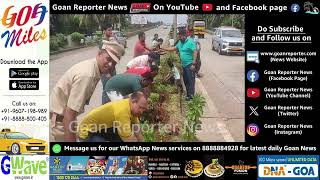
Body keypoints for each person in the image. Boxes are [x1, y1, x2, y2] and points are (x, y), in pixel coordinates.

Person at [50, 41, 125, 142]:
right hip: (62, 122)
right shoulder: (88, 75)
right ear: (99, 53)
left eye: (114, 63)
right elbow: (69, 114)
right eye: (108, 59)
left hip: (64, 119)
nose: (110, 65)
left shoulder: (94, 67)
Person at [78, 91, 148, 142]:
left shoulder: (131, 107)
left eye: (144, 110)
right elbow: (128, 139)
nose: (141, 111)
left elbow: (137, 130)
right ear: (133, 101)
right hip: (87, 133)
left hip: (100, 129)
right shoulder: (122, 110)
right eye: (140, 108)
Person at [161, 29, 198, 100]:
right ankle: (188, 95)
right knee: (186, 81)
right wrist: (164, 48)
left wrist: (193, 63)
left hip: (190, 65)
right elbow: (174, 48)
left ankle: (191, 97)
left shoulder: (190, 42)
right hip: (183, 65)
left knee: (191, 81)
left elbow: (195, 51)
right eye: (179, 37)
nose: (179, 38)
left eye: (180, 37)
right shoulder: (180, 43)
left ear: (184, 36)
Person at [100, 24, 122, 104]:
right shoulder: (102, 42)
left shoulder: (110, 40)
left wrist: (115, 37)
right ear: (104, 31)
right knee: (107, 89)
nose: (111, 32)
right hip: (106, 70)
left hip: (112, 68)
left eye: (111, 30)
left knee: (112, 88)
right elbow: (103, 59)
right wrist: (107, 73)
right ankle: (104, 107)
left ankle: (109, 106)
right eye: (109, 30)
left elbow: (119, 45)